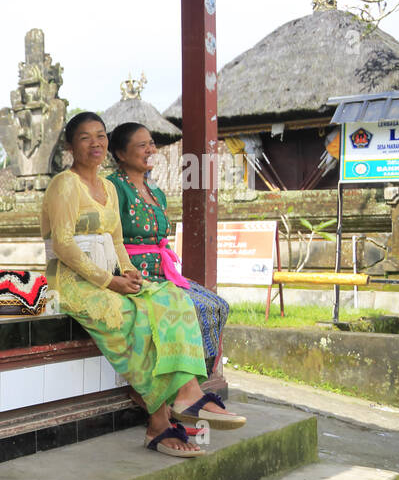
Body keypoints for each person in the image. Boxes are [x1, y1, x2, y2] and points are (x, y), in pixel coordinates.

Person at [40, 112, 245, 458]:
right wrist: (112, 282)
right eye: (85, 137)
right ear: (70, 146)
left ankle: (188, 393)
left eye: (101, 136)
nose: (96, 144)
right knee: (138, 317)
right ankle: (160, 423)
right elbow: (63, 245)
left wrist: (129, 271)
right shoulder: (65, 184)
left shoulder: (106, 186)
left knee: (172, 298)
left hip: (110, 276)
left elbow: (117, 241)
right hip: (71, 284)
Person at [107, 122, 230, 375]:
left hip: (163, 274)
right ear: (120, 154)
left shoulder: (157, 192)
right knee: (193, 307)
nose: (150, 149)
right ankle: (178, 383)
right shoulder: (113, 188)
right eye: (142, 145)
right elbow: (108, 236)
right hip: (135, 275)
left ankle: (198, 379)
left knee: (217, 305)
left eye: (151, 143)